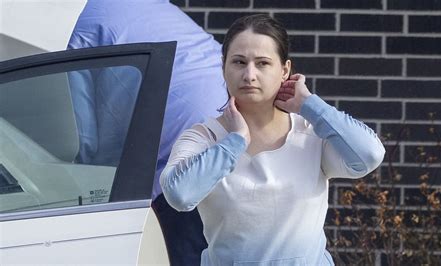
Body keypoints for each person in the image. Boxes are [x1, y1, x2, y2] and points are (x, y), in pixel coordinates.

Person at [160, 14, 386, 265]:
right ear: (223, 67)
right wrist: (234, 143)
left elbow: (369, 155)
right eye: (239, 62)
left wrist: (312, 106)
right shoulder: (205, 137)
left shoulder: (311, 134)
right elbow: (179, 195)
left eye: (263, 63)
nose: (249, 74)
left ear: (285, 70)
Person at [67, 0, 227, 265]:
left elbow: (83, 141)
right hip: (236, 127)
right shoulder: (149, 4)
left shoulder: (76, 30)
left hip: (179, 159)